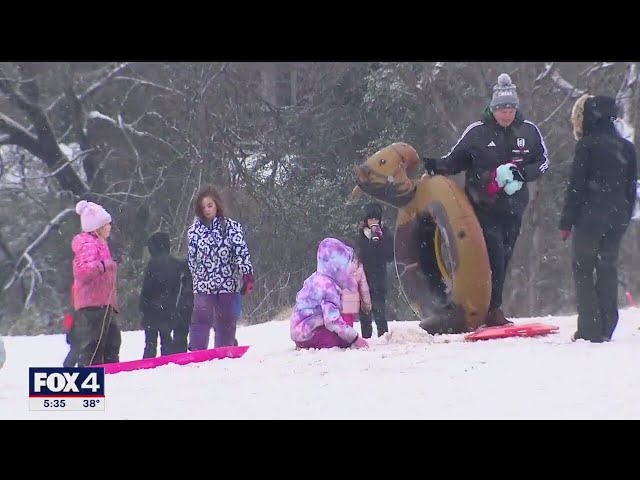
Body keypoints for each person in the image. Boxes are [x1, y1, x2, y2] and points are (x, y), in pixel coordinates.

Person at [423, 73, 549, 327]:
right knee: (494, 257)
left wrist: (523, 173)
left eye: (511, 108)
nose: (507, 114)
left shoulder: (529, 131)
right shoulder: (477, 133)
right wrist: (434, 166)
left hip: (514, 209)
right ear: (493, 109)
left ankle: (491, 306)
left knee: (505, 258)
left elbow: (543, 162)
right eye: (502, 109)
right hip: (483, 208)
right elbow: (454, 161)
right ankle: (489, 308)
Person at [559, 94, 638, 342]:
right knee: (607, 268)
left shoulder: (587, 144)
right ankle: (607, 324)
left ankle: (590, 328)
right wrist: (624, 215)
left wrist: (566, 222)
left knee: (583, 268)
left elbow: (576, 186)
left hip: (589, 217)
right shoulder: (626, 147)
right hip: (618, 217)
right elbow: (631, 185)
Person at [187, 186, 254, 350]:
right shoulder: (194, 231)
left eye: (210, 205)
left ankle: (224, 349)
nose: (207, 210)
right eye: (203, 207)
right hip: (204, 284)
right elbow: (192, 259)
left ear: (217, 205)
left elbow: (241, 250)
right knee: (200, 319)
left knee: (226, 320)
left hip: (227, 282)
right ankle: (197, 349)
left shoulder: (231, 227)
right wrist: (193, 279)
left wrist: (247, 273)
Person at [290, 237, 369, 350]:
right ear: (338, 267)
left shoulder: (315, 278)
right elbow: (332, 320)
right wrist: (355, 338)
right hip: (310, 334)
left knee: (340, 333)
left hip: (299, 334)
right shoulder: (328, 287)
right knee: (341, 340)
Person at [71, 200, 121, 366]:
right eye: (107, 224)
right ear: (98, 227)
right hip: (93, 303)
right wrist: (104, 265)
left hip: (104, 302)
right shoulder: (88, 244)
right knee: (95, 342)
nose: (110, 227)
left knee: (111, 340)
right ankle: (91, 372)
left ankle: (110, 370)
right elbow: (82, 271)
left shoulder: (101, 244)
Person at [139, 232, 193, 357]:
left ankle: (147, 363)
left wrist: (143, 305)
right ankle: (167, 362)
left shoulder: (152, 265)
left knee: (150, 343)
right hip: (170, 307)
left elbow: (147, 288)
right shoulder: (176, 263)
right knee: (166, 340)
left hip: (152, 310)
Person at [356, 202, 394, 338]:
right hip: (364, 277)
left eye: (376, 219)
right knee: (364, 310)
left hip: (379, 276)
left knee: (380, 309)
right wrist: (371, 242)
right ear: (366, 220)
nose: (373, 222)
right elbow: (361, 256)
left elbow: (390, 256)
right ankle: (366, 337)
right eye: (371, 219)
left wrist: (380, 240)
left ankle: (383, 336)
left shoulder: (386, 233)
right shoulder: (361, 235)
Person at [339, 241, 372, 328]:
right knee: (348, 326)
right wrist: (366, 304)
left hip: (337, 304)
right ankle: (348, 339)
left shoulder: (334, 267)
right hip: (352, 306)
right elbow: (364, 288)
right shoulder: (358, 266)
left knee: (338, 327)